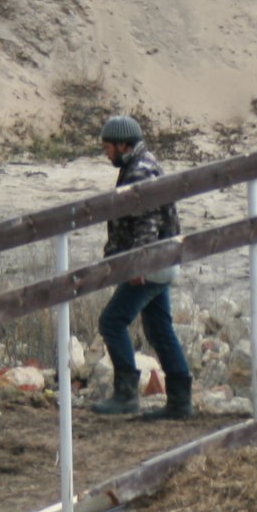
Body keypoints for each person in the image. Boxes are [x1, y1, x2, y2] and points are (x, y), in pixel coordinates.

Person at [92, 113, 193, 420]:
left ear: (123, 144)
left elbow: (147, 222)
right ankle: (179, 402)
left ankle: (126, 395)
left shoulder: (138, 173)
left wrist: (138, 264)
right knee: (158, 327)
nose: (106, 152)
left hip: (151, 263)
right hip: (162, 259)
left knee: (112, 321)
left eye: (108, 146)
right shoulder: (142, 163)